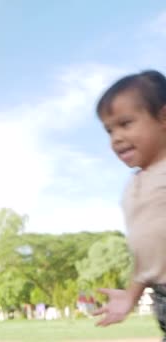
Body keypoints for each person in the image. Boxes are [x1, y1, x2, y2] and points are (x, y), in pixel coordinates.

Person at [93, 70, 166, 340]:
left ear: (163, 118)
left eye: (126, 123)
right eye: (109, 130)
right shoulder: (132, 188)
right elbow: (148, 254)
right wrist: (131, 296)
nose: (116, 138)